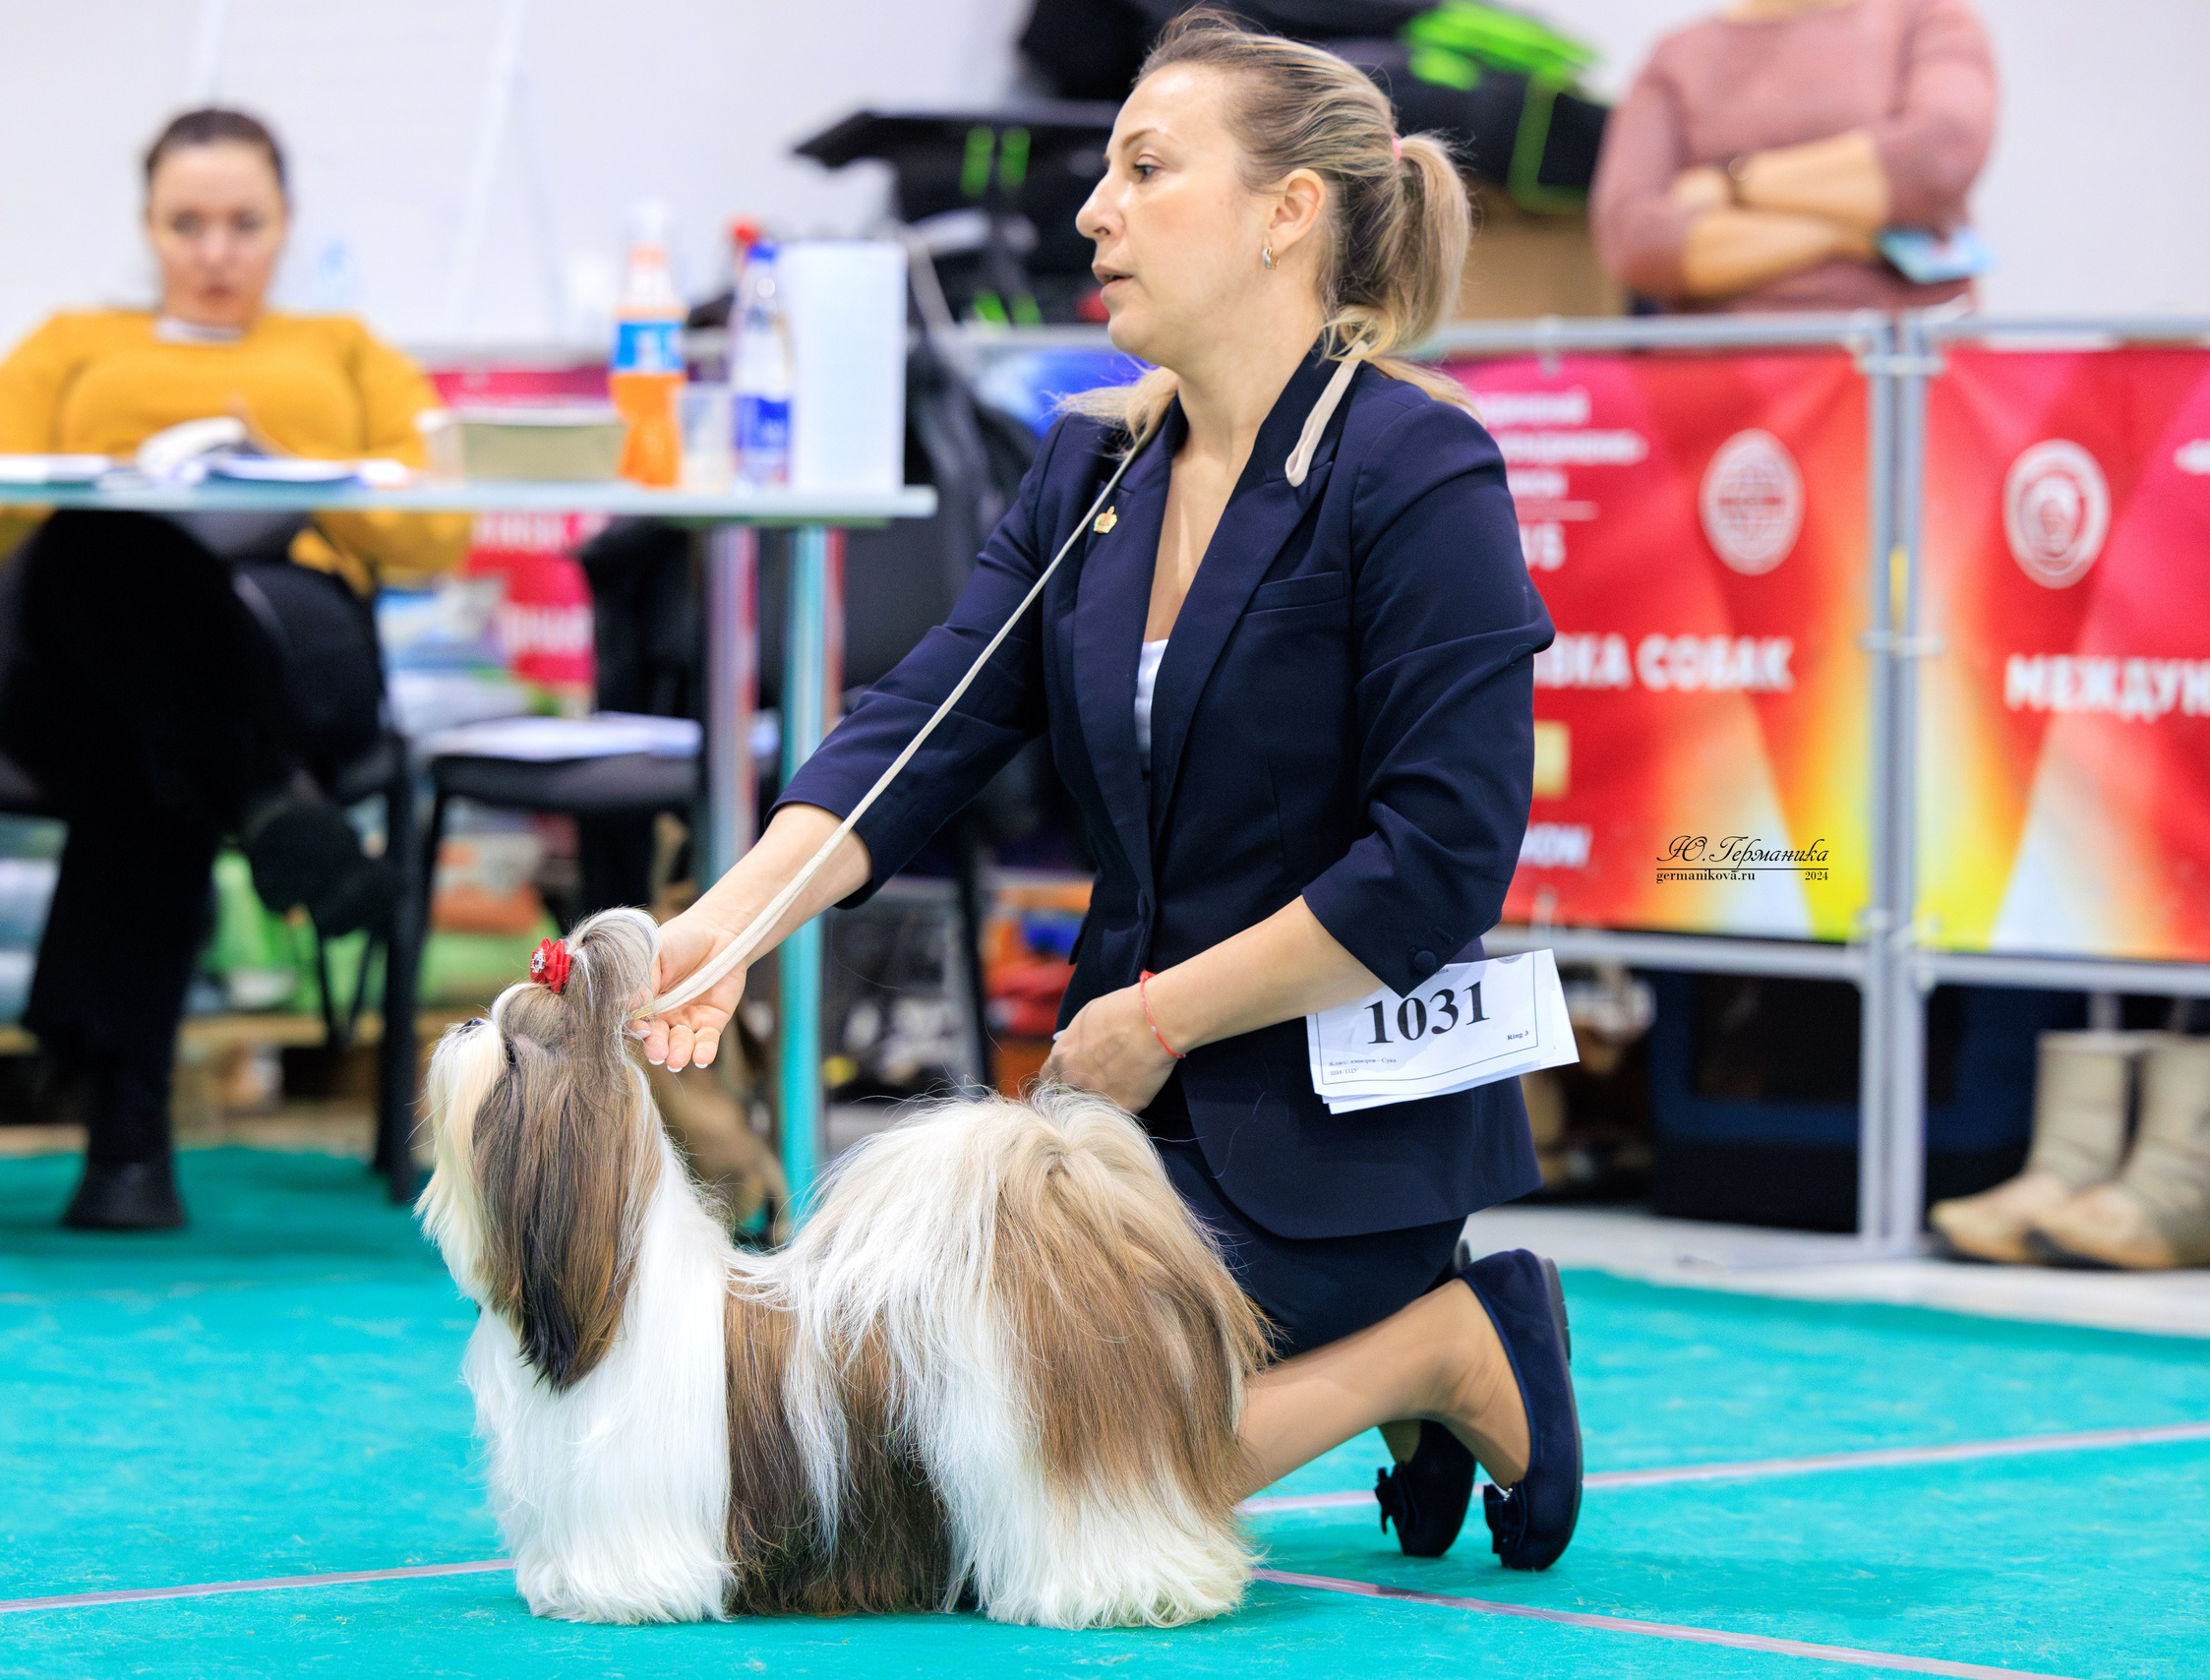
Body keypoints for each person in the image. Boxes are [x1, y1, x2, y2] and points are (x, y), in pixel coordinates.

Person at [638, 11, 1583, 1569]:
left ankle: (1442, 1344)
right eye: (1105, 173)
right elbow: (918, 729)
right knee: (920, 1450)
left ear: (1289, 214)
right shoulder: (1090, 471)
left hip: (1333, 1135)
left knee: (1024, 1493)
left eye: (1146, 170)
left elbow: (1438, 862)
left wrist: (1158, 1021)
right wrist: (723, 930)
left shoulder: (1419, 468)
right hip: (1112, 1125)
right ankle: (1390, 1363)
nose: (1095, 212)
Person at [0, 109, 468, 1230]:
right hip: (76, 658)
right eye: (187, 225)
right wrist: (110, 482)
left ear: (285, 224)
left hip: (287, 642)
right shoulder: (71, 342)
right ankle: (278, 811)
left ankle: (124, 1142)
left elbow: (436, 533)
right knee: (113, 557)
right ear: (147, 227)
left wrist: (295, 470)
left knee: (156, 741)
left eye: (244, 224)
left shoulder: (345, 350)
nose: (216, 252)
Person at [1590, 0, 1996, 312]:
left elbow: (1935, 164)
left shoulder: (1927, 17)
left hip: (1902, 371)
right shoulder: (1675, 57)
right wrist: (1855, 233)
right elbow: (1635, 239)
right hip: (1719, 378)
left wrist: (1730, 185)